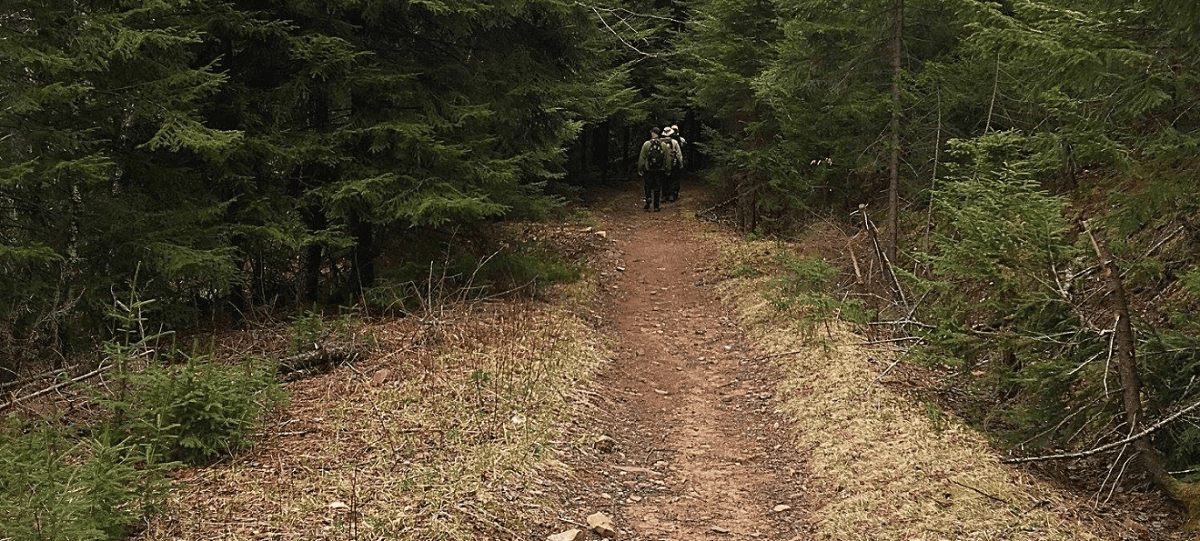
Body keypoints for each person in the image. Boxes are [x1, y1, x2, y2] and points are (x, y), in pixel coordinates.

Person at [637, 127, 671, 211]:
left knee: (648, 185)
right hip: (660, 169)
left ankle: (648, 198)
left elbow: (642, 157)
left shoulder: (647, 144)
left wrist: (640, 168)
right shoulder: (663, 145)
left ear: (652, 133)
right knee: (657, 187)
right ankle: (656, 206)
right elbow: (667, 158)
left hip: (649, 169)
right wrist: (667, 169)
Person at [661, 125, 685, 202]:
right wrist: (681, 164)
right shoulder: (674, 142)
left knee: (664, 179)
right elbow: (679, 154)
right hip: (673, 163)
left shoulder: (661, 142)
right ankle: (671, 195)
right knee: (673, 179)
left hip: (663, 164)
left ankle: (664, 196)